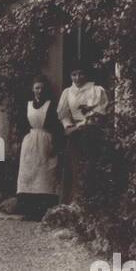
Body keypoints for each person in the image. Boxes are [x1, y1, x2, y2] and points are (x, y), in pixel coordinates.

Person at [56, 63, 108, 205]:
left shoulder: (95, 90)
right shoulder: (67, 92)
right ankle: (71, 204)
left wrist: (83, 125)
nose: (77, 78)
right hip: (73, 134)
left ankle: (88, 205)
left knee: (89, 167)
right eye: (74, 74)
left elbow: (98, 112)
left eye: (81, 74)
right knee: (73, 167)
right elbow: (63, 113)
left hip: (90, 131)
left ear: (86, 75)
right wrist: (69, 126)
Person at [15, 76, 62, 220]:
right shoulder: (28, 104)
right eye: (36, 88)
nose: (39, 91)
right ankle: (29, 211)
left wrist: (54, 144)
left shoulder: (50, 105)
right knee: (29, 175)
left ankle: (43, 212)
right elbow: (22, 124)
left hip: (46, 141)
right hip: (30, 142)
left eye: (41, 88)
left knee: (45, 176)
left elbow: (56, 126)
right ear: (32, 89)